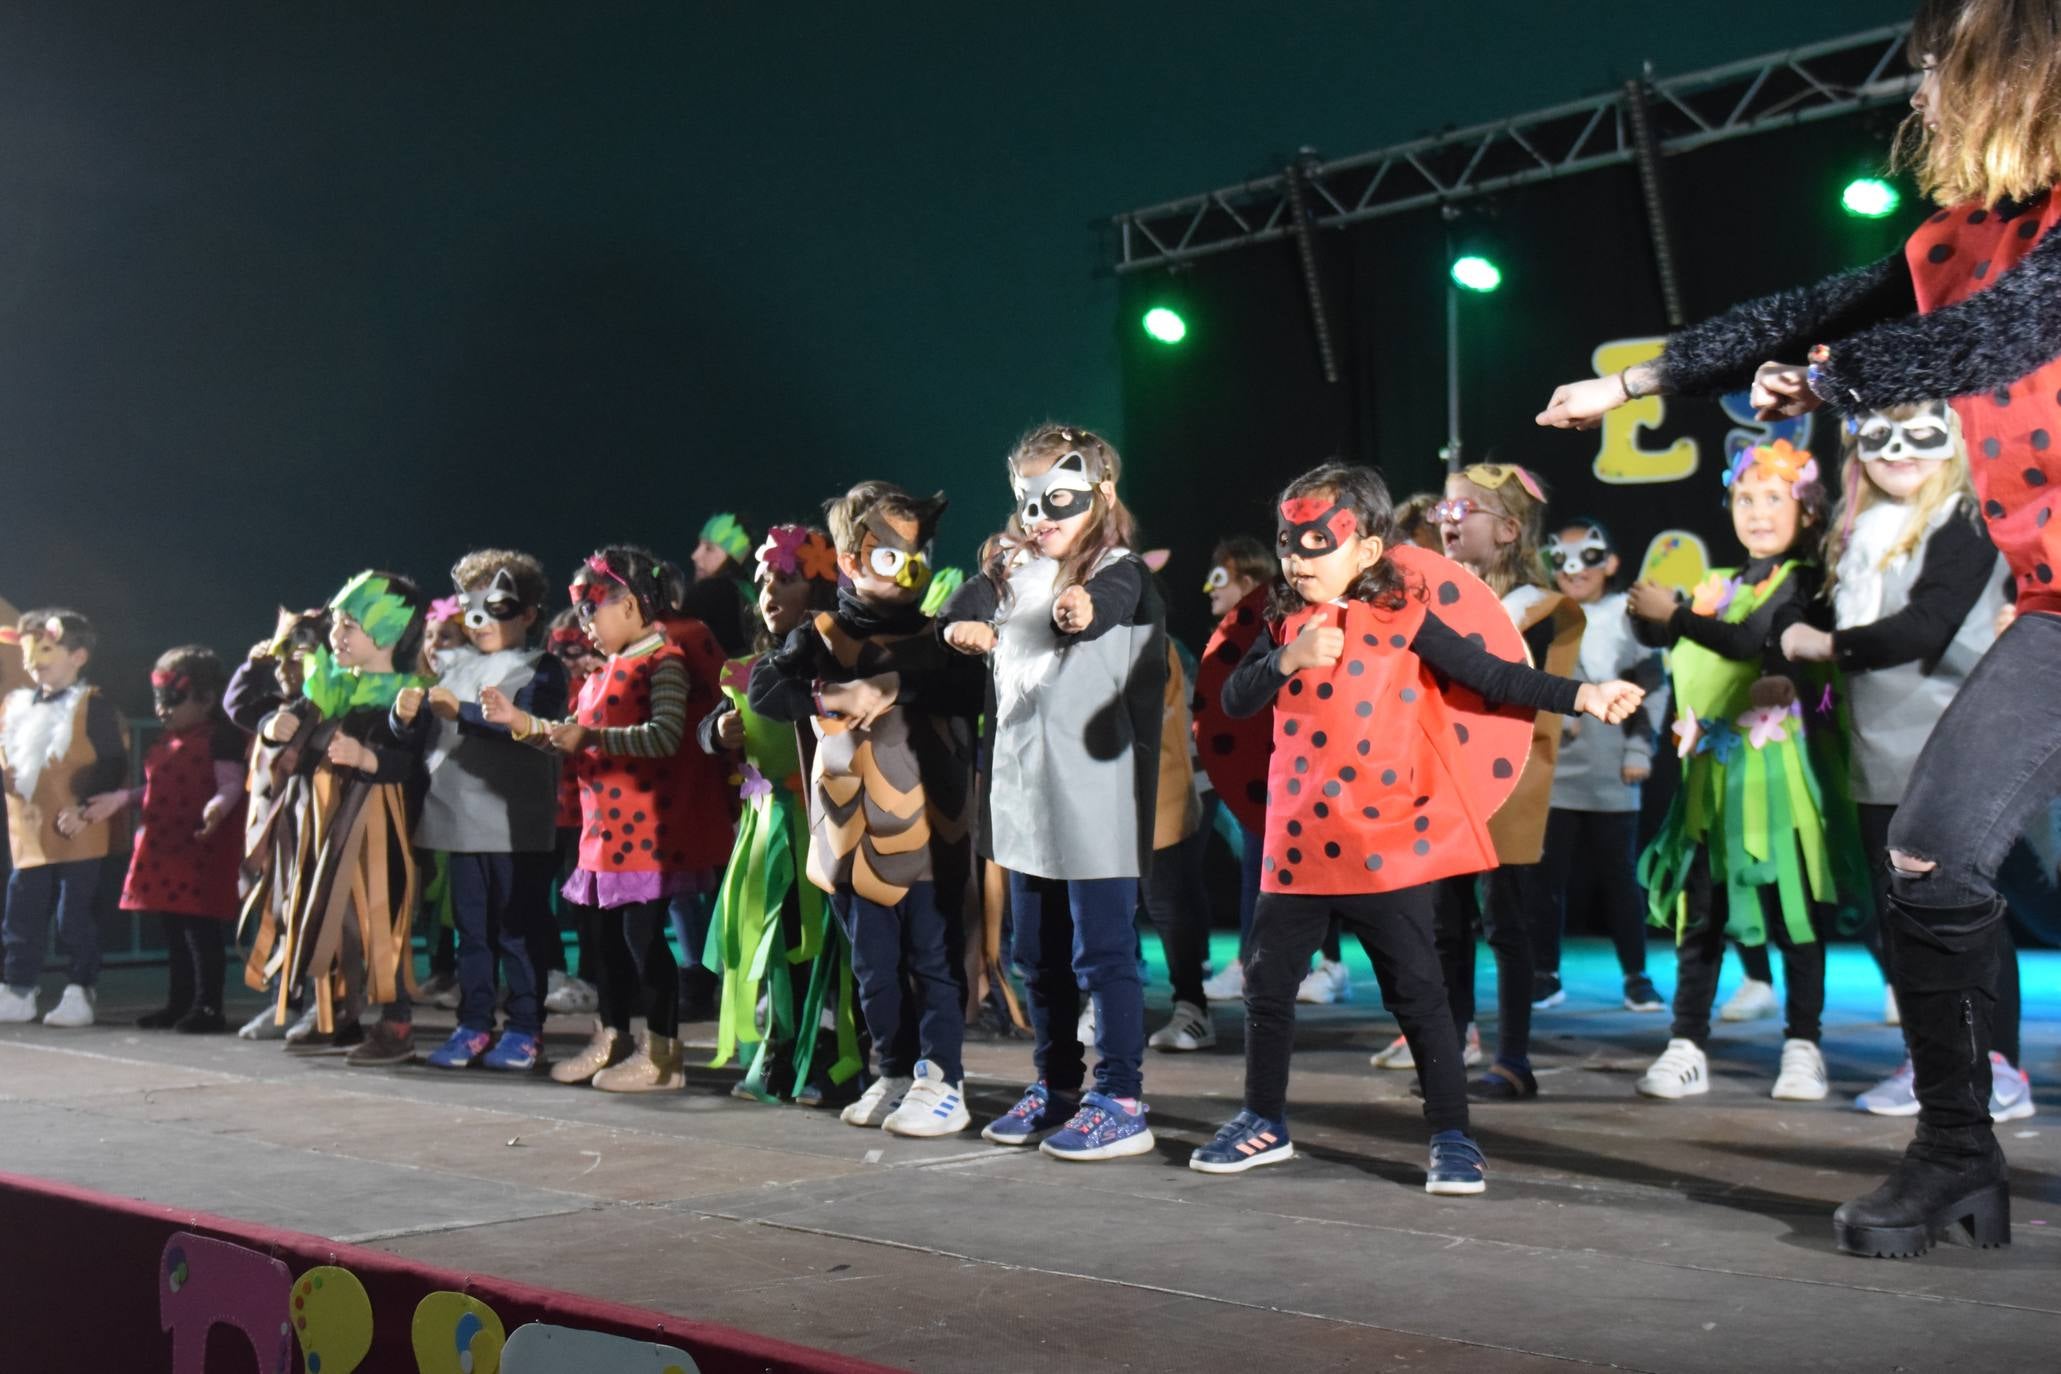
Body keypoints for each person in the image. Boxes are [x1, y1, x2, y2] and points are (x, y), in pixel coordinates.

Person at [1539, 0, 2058, 1256]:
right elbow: (1799, 312)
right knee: (1930, 858)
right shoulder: (1957, 237)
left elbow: (2007, 333)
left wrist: (1837, 379)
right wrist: (1635, 380)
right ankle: (1955, 1159)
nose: (1920, 90)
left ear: (2015, 75)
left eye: (1941, 67)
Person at [1185, 462, 1643, 1189]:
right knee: (1268, 986)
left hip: (1382, 847)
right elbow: (1233, 700)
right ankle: (1262, 1119)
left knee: (1418, 991)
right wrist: (1284, 658)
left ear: (1366, 551)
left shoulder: (1403, 616)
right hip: (1296, 847)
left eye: (1316, 543)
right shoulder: (1279, 618)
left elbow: (1493, 676)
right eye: (1287, 543)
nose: (1298, 559)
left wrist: (1583, 693)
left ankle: (1452, 1135)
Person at [1777, 402, 2031, 1121]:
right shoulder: (1856, 534)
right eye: (1879, 434)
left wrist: (1822, 646)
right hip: (1878, 744)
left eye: (1919, 431)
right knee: (1904, 920)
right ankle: (1935, 1064)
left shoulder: (1963, 518)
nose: (1898, 449)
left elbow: (1926, 625)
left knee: (1962, 915)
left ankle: (1996, 1068)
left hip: (1951, 740)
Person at [942, 424, 1168, 1161]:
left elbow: (1104, 602)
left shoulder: (1119, 569)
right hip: (1024, 791)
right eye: (1026, 501)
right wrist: (961, 626)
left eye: (1057, 499)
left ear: (1098, 496)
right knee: (1035, 952)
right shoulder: (1008, 567)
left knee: (1102, 953)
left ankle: (1121, 1095)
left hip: (1096, 796)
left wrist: (1080, 609)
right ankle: (1057, 1083)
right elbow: (963, 606)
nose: (1040, 517)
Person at [751, 484, 983, 1136]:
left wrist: (895, 686)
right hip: (851, 835)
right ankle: (895, 1068)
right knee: (874, 968)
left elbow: (967, 690)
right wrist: (794, 655)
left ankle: (943, 1079)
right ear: (852, 560)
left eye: (917, 553)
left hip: (927, 835)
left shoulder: (940, 636)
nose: (908, 570)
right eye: (888, 555)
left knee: (932, 961)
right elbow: (768, 695)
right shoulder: (823, 633)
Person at [1434, 462, 1587, 1100]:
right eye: (1444, 509)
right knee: (1443, 923)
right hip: (1442, 778)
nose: (1447, 521)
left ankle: (1513, 1058)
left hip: (1511, 780)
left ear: (1508, 531)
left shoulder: (1543, 609)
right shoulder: (1431, 600)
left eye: (1463, 511)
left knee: (1507, 921)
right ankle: (1449, 1048)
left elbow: (1544, 700)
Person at [522, 547, 700, 1092]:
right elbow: (569, 735)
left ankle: (664, 1054)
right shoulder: (606, 672)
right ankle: (613, 1034)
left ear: (630, 604)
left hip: (645, 835)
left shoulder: (663, 661)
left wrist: (592, 736)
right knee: (604, 944)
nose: (585, 624)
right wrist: (520, 723)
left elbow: (668, 734)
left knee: (644, 941)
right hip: (602, 838)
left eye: (591, 609)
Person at [238, 573, 431, 1063]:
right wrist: (269, 723)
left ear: (386, 633)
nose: (336, 636)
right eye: (337, 624)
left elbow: (415, 764)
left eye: (351, 625)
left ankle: (396, 1025)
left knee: (377, 922)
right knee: (325, 916)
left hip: (375, 833)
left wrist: (369, 761)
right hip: (320, 830)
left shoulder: (406, 695)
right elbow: (241, 706)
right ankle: (334, 1017)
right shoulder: (325, 686)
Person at [703, 523, 861, 1105]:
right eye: (764, 579)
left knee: (821, 946)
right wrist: (717, 733)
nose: (769, 591)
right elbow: (714, 725)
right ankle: (778, 1049)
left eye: (786, 580)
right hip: (767, 828)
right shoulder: (743, 670)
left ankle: (832, 1058)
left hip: (824, 824)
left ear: (817, 592)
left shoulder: (839, 664)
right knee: (772, 946)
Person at [395, 550, 567, 1072]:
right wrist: (404, 718)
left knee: (518, 929)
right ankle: (472, 1023)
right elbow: (421, 737)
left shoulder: (542, 668)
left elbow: (533, 728)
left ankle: (524, 1027)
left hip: (514, 822)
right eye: (474, 611)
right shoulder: (450, 667)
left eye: (498, 609)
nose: (484, 623)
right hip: (458, 819)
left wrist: (465, 712)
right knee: (471, 933)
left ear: (528, 613)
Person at [1531, 519, 1669, 1012]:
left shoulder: (1627, 617)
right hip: (1556, 770)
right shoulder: (1546, 613)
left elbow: (1654, 685)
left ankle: (1636, 975)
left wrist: (1639, 750)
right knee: (1547, 878)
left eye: (1587, 559)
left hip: (1612, 769)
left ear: (1609, 563)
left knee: (1619, 877)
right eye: (1561, 561)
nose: (1574, 571)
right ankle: (1544, 973)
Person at [0, 611, 130, 1027]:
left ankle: (80, 988)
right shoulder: (15, 706)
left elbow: (112, 762)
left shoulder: (92, 705)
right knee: (21, 909)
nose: (34, 658)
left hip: (79, 826)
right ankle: (18, 987)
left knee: (74, 913)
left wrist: (86, 806)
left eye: (46, 648)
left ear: (77, 656)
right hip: (31, 831)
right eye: (28, 649)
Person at [107, 647, 247, 1033]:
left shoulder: (218, 739)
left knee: (199, 930)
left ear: (206, 698)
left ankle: (207, 1006)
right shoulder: (167, 743)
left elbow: (231, 784)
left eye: (173, 699)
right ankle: (180, 1002)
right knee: (173, 929)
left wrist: (218, 807)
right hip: (165, 849)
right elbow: (153, 790)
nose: (163, 709)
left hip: (198, 849)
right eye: (158, 700)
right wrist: (120, 800)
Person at [1193, 537, 1279, 1005]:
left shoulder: (1262, 630)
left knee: (1261, 865)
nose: (1209, 587)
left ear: (1249, 582)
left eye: (1221, 577)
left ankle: (1257, 962)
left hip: (1268, 772)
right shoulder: (1233, 635)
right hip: (1244, 770)